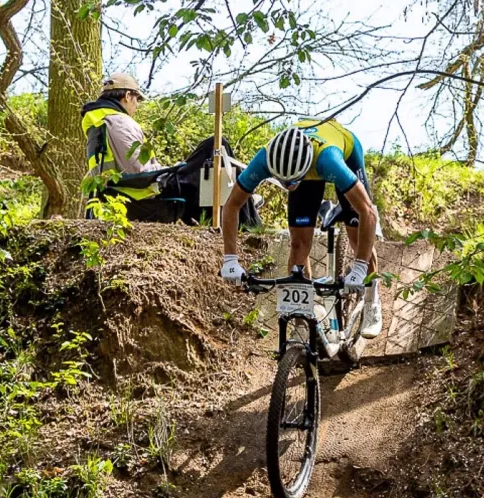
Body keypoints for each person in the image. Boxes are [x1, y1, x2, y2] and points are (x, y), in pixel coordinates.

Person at [218, 118, 384, 339]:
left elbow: (368, 212)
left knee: (356, 236)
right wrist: (230, 259)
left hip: (340, 155)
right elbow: (231, 205)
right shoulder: (265, 159)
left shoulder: (329, 160)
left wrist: (360, 267)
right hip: (300, 166)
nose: (288, 187)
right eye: (283, 181)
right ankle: (301, 322)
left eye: (291, 182)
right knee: (298, 245)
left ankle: (372, 300)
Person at [81, 73, 260, 225]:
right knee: (215, 145)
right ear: (128, 96)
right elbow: (139, 171)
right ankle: (248, 217)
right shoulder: (119, 121)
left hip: (123, 194)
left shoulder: (98, 122)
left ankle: (243, 208)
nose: (137, 105)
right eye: (138, 99)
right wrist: (172, 169)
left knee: (207, 161)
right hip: (145, 198)